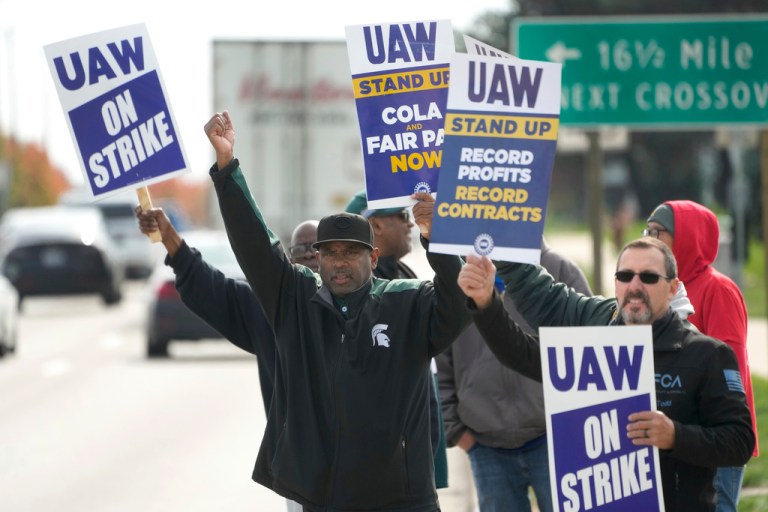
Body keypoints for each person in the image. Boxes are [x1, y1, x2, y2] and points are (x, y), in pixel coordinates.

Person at [205, 111, 469, 511]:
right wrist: (227, 169)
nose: (339, 263)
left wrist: (439, 239)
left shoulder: (406, 302)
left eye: (351, 253)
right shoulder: (296, 302)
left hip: (402, 499)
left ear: (373, 256)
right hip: (323, 498)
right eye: (329, 254)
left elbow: (458, 304)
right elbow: (257, 246)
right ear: (317, 257)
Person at [457, 237, 754, 512]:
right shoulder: (593, 346)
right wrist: (486, 305)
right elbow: (521, 354)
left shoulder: (707, 354)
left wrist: (675, 435)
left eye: (648, 277)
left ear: (673, 287)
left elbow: (739, 441)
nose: (634, 286)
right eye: (625, 276)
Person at [135, 206, 317, 512]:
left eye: (319, 247)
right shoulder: (268, 312)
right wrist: (169, 238)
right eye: (301, 249)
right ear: (289, 260)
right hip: (305, 474)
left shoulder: (367, 306)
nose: (311, 255)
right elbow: (208, 285)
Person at [436, 237, 592, 512]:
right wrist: (457, 430)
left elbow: (588, 349)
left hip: (555, 437)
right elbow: (440, 355)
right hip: (485, 443)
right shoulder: (461, 274)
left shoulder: (559, 268)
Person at [646, 200, 758, 512]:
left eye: (659, 232)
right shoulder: (660, 287)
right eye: (647, 230)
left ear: (688, 238)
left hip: (713, 437)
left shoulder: (717, 289)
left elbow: (726, 364)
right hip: (677, 435)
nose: (650, 239)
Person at [345, 190, 449, 489]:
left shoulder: (403, 273)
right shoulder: (356, 290)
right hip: (386, 471)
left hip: (415, 459)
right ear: (375, 225)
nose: (410, 225)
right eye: (402, 216)